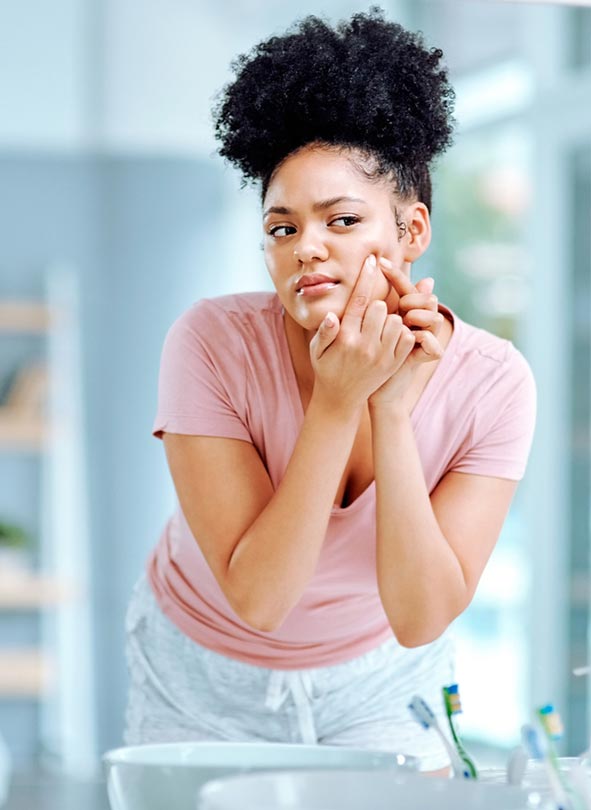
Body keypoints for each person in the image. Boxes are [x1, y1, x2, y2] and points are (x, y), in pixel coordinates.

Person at [124, 8, 536, 774]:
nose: (306, 246)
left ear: (411, 231)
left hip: (380, 676)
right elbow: (261, 598)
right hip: (205, 672)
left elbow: (419, 618)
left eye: (341, 220)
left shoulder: (494, 383)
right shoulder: (209, 345)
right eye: (282, 230)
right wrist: (339, 400)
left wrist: (390, 404)